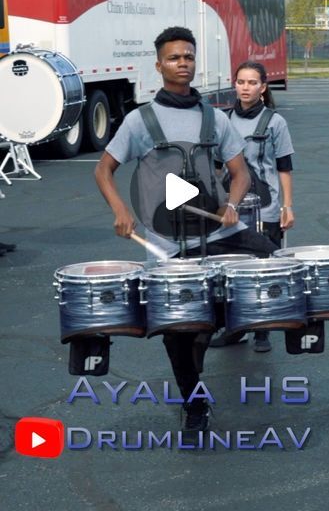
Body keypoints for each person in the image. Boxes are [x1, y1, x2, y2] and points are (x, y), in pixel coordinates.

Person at [95, 28, 276, 441]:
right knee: (178, 333)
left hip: (218, 231)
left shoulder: (215, 117)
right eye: (175, 57)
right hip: (165, 242)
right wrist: (121, 210)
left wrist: (232, 205)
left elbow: (240, 172)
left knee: (270, 254)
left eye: (189, 57)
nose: (184, 63)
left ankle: (224, 325)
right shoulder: (139, 121)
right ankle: (194, 404)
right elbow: (103, 169)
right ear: (159, 65)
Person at [210, 60, 295, 352]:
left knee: (263, 271)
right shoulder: (222, 120)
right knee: (229, 270)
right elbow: (218, 167)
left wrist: (288, 206)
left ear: (262, 87)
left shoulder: (275, 122)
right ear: (235, 84)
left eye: (251, 83)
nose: (245, 88)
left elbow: (284, 167)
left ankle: (262, 330)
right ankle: (235, 329)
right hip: (233, 209)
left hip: (267, 209)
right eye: (241, 82)